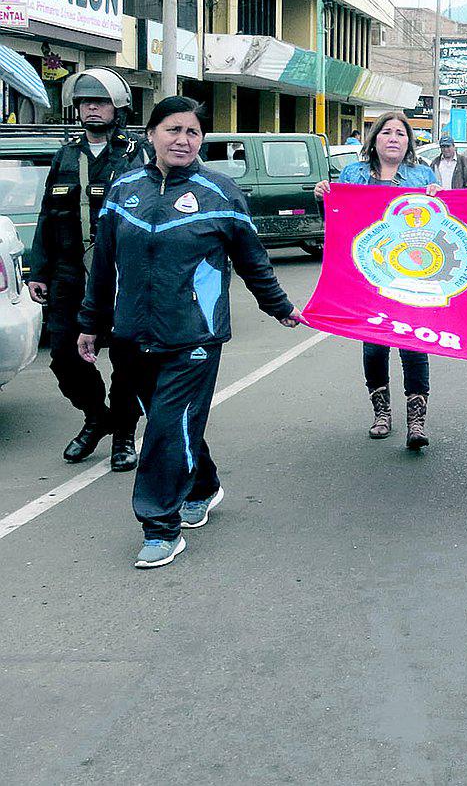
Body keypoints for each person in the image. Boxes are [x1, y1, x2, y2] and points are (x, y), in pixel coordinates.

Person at [78, 97, 302, 569]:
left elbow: (252, 260)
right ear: (151, 134)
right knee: (170, 420)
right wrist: (91, 325)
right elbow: (103, 265)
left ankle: (160, 526)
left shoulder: (220, 193)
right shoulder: (124, 190)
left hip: (194, 337)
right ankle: (203, 486)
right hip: (131, 335)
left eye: (193, 133)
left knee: (163, 427)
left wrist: (279, 307)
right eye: (173, 130)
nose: (183, 140)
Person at [26, 68, 149, 471]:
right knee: (64, 355)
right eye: (84, 103)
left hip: (122, 275)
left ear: (119, 108)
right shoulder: (65, 155)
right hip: (69, 275)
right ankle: (98, 417)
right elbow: (48, 213)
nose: (91, 109)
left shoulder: (136, 154)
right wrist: (39, 271)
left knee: (128, 358)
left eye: (99, 102)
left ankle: (124, 433)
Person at [313, 112, 440, 450]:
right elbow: (338, 220)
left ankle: (417, 420)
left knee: (414, 343)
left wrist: (439, 195)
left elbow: (442, 222)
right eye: (387, 132)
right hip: (368, 275)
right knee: (374, 343)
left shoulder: (423, 175)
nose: (394, 138)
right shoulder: (354, 174)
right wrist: (324, 195)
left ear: (409, 141)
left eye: (401, 133)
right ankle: (381, 412)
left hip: (412, 275)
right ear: (375, 139)